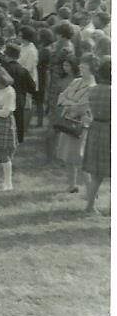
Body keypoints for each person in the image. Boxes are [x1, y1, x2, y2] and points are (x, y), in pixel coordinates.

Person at [56, 54, 97, 193]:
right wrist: (71, 104)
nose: (80, 67)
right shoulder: (76, 82)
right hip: (68, 122)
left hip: (81, 125)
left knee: (80, 158)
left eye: (84, 66)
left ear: (92, 69)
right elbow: (61, 98)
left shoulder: (93, 87)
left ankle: (91, 190)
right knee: (67, 155)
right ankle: (72, 185)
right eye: (80, 65)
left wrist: (69, 103)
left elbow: (82, 107)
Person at [83, 58, 110, 214]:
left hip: (96, 129)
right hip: (110, 128)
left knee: (96, 174)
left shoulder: (93, 90)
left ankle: (90, 205)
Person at [2, 43, 37, 144]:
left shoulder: (3, 69)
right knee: (18, 120)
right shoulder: (23, 70)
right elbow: (32, 88)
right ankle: (18, 139)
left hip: (4, 99)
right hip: (19, 99)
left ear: (7, 55)